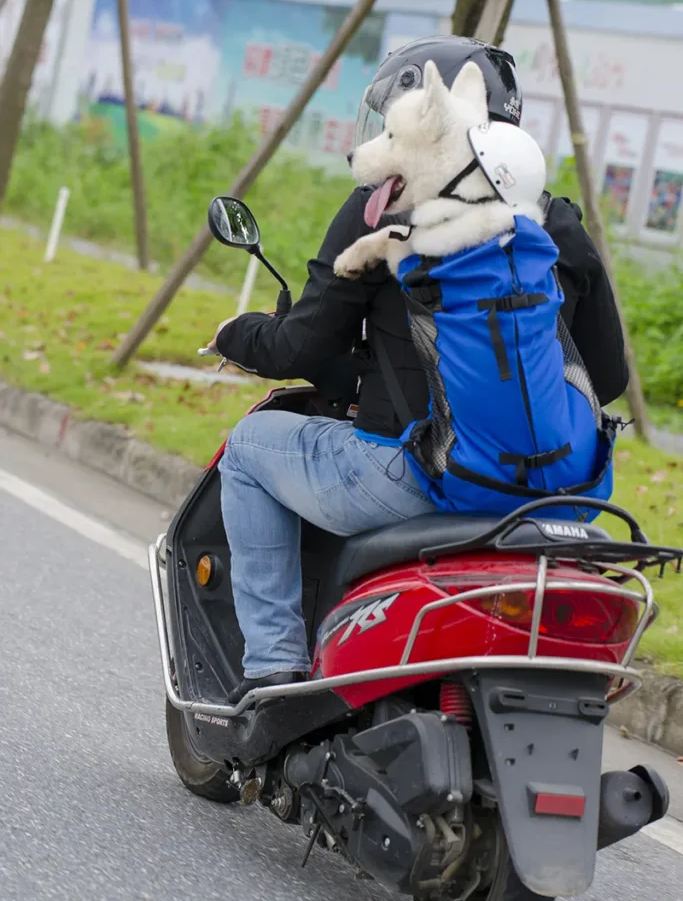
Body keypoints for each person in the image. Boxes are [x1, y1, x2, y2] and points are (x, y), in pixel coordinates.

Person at [209, 36, 628, 704]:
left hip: (417, 477)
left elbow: (300, 349)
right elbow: (603, 377)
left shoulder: (388, 211)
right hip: (554, 492)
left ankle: (272, 669)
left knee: (249, 450)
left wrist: (238, 333)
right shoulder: (556, 225)